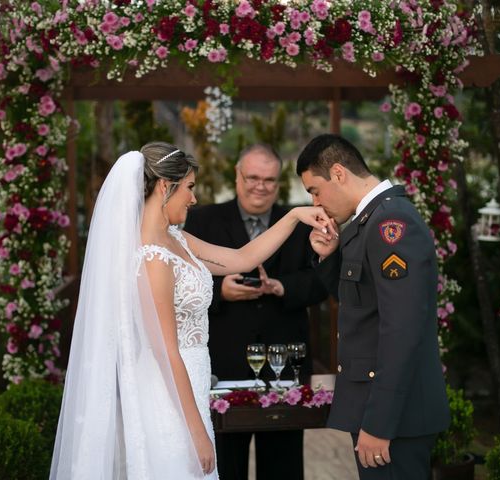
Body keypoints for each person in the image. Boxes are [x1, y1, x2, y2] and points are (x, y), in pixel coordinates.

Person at [49, 142, 335, 479]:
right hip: (167, 393)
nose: (194, 198)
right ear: (164, 187)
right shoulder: (153, 257)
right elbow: (167, 351)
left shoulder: (177, 239)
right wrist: (197, 429)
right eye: (189, 188)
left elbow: (243, 258)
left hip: (193, 384)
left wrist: (294, 216)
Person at [296, 134, 450, 479]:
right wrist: (328, 257)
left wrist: (379, 424)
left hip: (395, 418)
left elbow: (401, 331)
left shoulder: (389, 224)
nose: (316, 203)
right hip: (385, 411)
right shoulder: (367, 222)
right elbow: (361, 306)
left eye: (314, 190)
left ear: (338, 173)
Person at [183, 144, 328, 480]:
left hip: (285, 364)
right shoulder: (202, 219)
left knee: (283, 466)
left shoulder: (302, 222)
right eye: (252, 177)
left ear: (278, 183)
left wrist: (282, 287)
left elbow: (321, 282)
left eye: (269, 179)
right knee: (226, 466)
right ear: (237, 176)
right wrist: (222, 292)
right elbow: (185, 280)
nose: (259, 186)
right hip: (225, 362)